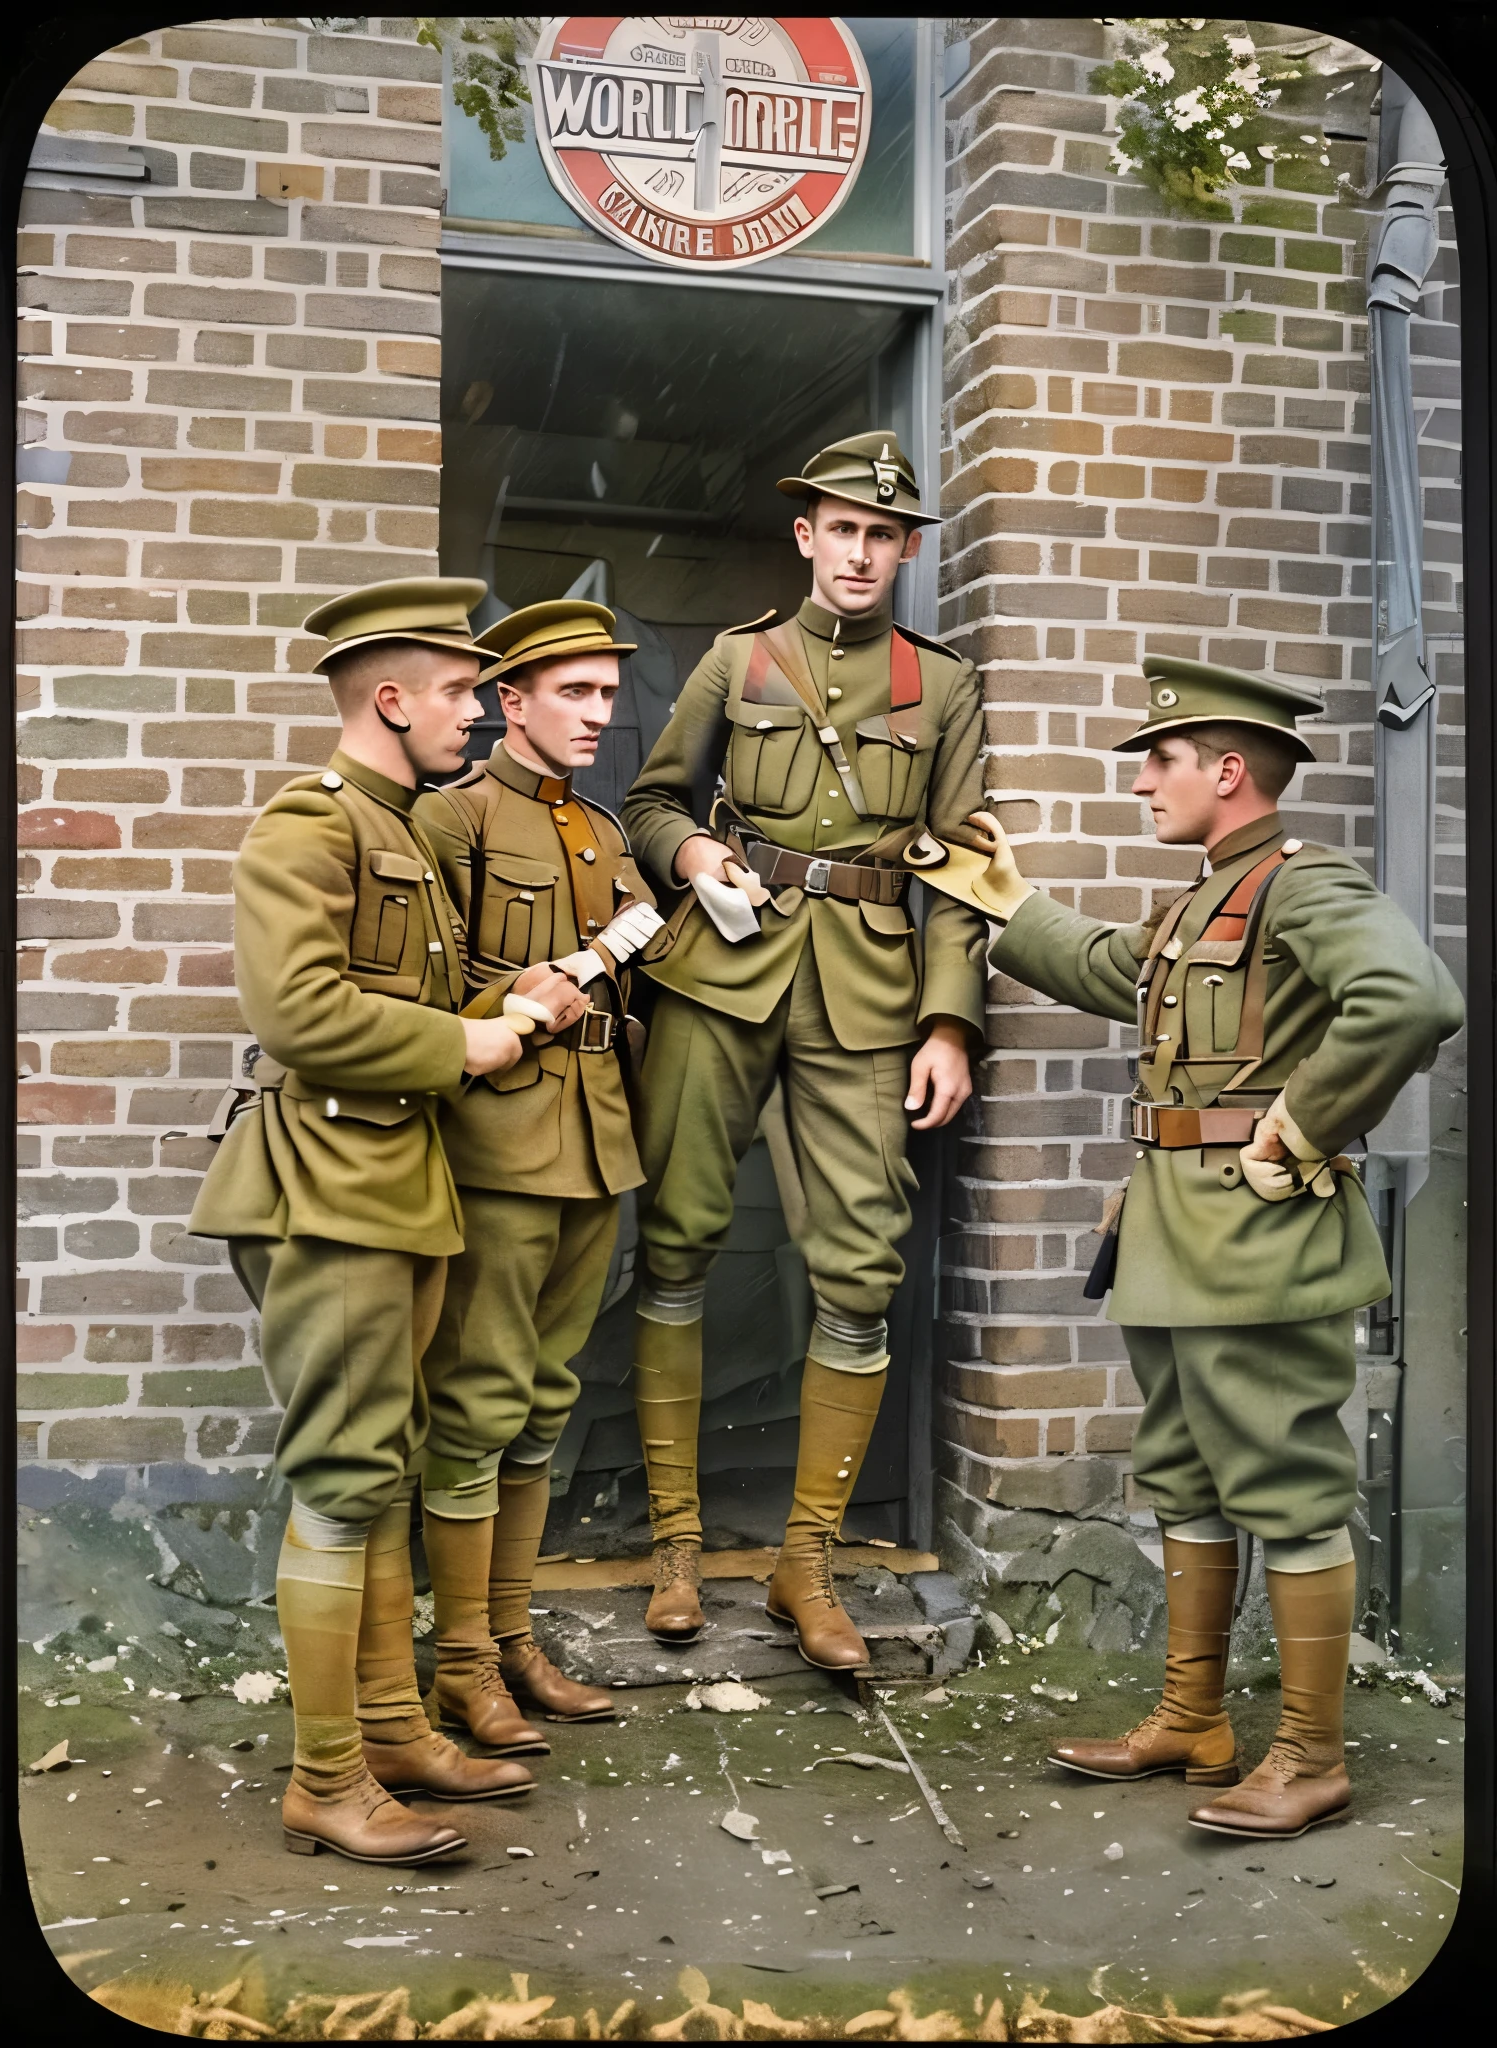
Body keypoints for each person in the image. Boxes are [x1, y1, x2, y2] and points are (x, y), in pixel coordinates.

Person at [952, 655, 1462, 1840]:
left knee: (1285, 1488)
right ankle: (1192, 1716)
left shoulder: (1301, 881)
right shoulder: (1201, 897)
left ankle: (1312, 1752)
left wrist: (1301, 1123)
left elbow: (1411, 999)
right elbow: (1116, 972)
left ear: (1226, 769)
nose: (1140, 780)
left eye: (1158, 758)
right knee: (1182, 1471)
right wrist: (1006, 903)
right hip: (1174, 1234)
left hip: (1258, 1236)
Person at [188, 576, 589, 1864]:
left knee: (386, 1464)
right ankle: (325, 1778)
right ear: (392, 699)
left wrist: (501, 988)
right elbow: (299, 1013)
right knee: (348, 1475)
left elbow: (391, 980)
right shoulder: (304, 831)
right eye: (465, 693)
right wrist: (468, 1035)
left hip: (390, 1184)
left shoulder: (396, 827)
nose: (474, 714)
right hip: (330, 1188)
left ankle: (390, 1725)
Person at [620, 432, 984, 1668]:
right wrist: (691, 855)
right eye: (842, 529)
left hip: (867, 996)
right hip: (721, 972)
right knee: (674, 1239)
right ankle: (675, 1546)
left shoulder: (939, 687)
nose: (861, 553)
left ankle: (804, 1562)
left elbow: (963, 868)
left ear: (906, 550)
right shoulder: (738, 659)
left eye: (883, 535)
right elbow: (652, 800)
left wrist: (947, 1020)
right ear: (806, 537)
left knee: (860, 1266)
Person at [411, 599, 662, 1754]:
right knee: (475, 1403)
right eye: (575, 693)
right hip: (500, 1144)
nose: (597, 716)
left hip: (595, 1140)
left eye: (608, 696)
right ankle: (459, 1661)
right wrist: (512, 1002)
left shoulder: (603, 832)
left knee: (542, 1403)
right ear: (509, 701)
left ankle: (509, 1639)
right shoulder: (451, 817)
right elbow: (422, 983)